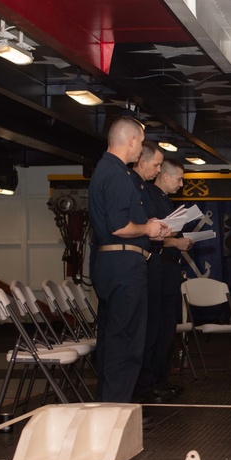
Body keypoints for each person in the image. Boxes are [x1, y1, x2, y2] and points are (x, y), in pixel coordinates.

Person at [88, 117, 169, 403]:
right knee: (127, 342)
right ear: (132, 141)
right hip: (124, 267)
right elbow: (118, 226)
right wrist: (147, 228)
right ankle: (117, 411)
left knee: (113, 340)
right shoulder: (117, 173)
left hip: (110, 265)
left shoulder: (104, 170)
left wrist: (149, 229)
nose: (140, 152)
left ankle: (109, 405)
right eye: (140, 143)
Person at [135, 153, 194, 403]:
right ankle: (149, 384)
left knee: (167, 328)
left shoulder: (164, 200)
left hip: (168, 269)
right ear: (166, 176)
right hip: (158, 268)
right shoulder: (148, 196)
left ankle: (161, 379)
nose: (181, 185)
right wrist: (176, 241)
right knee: (156, 329)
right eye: (179, 179)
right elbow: (151, 235)